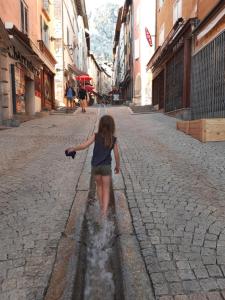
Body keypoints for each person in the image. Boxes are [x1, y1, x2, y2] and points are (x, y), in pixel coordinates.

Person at [66, 115, 120, 216]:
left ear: (100, 125)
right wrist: (117, 166)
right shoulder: (113, 139)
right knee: (106, 189)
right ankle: (104, 211)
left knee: (99, 187)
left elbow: (84, 145)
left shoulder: (96, 136)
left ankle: (101, 208)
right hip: (106, 167)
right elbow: (117, 154)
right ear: (112, 126)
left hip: (95, 167)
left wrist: (74, 148)